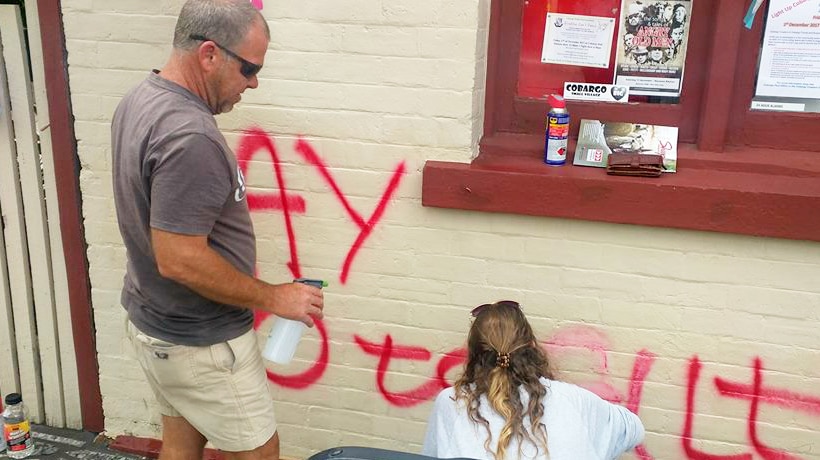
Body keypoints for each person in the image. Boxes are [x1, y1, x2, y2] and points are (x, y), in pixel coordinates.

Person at [111, 1, 324, 459]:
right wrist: (275, 297)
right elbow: (179, 257)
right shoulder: (191, 136)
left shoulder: (141, 99)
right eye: (249, 68)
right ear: (209, 54)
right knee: (259, 453)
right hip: (200, 343)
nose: (254, 82)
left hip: (158, 326)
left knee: (181, 445)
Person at [422, 301, 644, 460]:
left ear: (474, 354)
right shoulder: (572, 399)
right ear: (531, 347)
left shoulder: (452, 402)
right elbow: (633, 429)